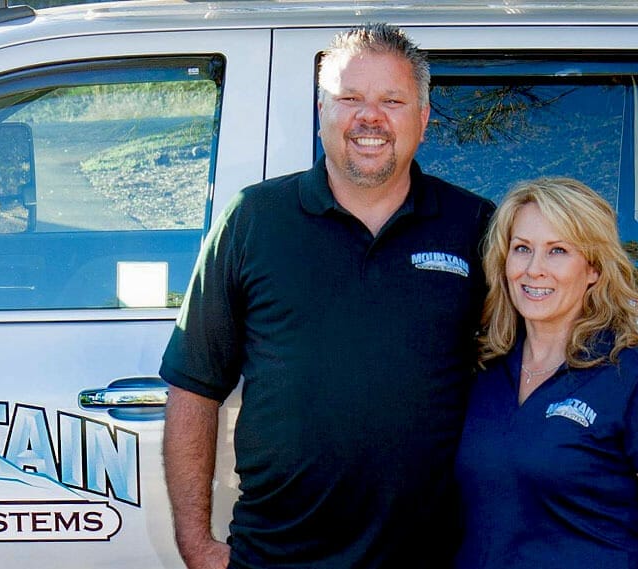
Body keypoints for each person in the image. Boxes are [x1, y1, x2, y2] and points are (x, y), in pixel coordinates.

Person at [160, 23, 495, 569]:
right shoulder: (254, 220)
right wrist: (198, 547)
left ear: (424, 119)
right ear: (321, 112)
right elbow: (194, 387)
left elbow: (528, 373)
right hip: (276, 556)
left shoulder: (476, 226)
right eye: (350, 98)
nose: (370, 117)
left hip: (432, 558)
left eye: (392, 100)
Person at [454, 177, 638, 569]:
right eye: (522, 249)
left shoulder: (636, 380)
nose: (534, 270)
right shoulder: (484, 371)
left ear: (593, 268)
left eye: (557, 251)